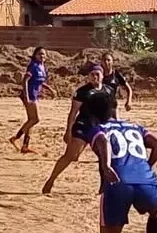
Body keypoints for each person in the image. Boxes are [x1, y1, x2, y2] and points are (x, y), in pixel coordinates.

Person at [84, 92, 157, 233]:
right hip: (145, 181)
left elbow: (102, 140)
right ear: (115, 109)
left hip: (117, 182)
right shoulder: (136, 126)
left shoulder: (98, 128)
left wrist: (105, 165)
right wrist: (146, 168)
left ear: (92, 115)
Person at [41, 64, 110, 195]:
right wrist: (68, 131)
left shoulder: (108, 91)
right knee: (71, 156)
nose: (95, 77)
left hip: (100, 129)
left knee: (104, 156)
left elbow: (112, 111)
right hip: (83, 126)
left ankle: (103, 187)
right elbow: (73, 113)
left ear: (102, 75)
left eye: (97, 74)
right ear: (88, 76)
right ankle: (51, 179)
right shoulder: (82, 91)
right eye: (92, 74)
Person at [10, 46, 54, 153]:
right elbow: (25, 80)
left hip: (34, 95)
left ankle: (25, 146)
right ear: (35, 55)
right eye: (40, 54)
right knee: (35, 119)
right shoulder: (33, 66)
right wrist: (26, 95)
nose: (42, 56)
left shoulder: (42, 67)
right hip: (30, 95)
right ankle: (15, 138)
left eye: (43, 54)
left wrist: (50, 89)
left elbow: (39, 81)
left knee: (31, 120)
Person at [100, 51, 133, 117]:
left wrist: (129, 101)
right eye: (104, 60)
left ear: (112, 62)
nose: (106, 62)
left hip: (112, 106)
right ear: (101, 62)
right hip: (99, 106)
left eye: (108, 60)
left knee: (115, 125)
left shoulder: (116, 75)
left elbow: (129, 89)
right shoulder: (98, 74)